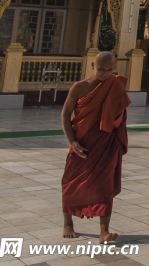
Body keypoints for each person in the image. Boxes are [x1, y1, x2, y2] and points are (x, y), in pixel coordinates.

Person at [61, 51, 131, 242]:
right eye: (101, 69)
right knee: (70, 181)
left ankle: (104, 231)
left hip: (105, 144)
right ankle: (68, 222)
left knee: (104, 185)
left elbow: (119, 116)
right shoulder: (79, 87)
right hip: (81, 143)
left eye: (109, 70)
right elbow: (65, 115)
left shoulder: (115, 85)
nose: (104, 74)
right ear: (93, 66)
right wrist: (72, 142)